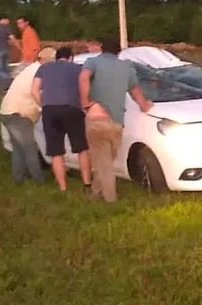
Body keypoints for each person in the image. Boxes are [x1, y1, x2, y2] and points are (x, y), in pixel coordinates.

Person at [79, 39, 153, 202]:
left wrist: (85, 101)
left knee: (102, 162)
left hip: (96, 118)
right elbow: (135, 89)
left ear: (101, 49)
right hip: (116, 122)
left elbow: (84, 77)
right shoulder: (126, 67)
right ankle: (96, 193)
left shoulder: (92, 62)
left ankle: (110, 198)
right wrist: (144, 105)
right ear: (119, 52)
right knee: (105, 161)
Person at [31, 47, 91, 191]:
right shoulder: (77, 68)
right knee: (81, 148)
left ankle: (63, 187)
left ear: (56, 57)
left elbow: (34, 91)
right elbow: (85, 88)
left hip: (49, 110)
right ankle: (87, 183)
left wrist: (43, 104)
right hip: (72, 109)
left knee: (56, 151)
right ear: (70, 57)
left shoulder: (44, 68)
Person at [0, 46, 57, 185]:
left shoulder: (31, 68)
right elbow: (36, 92)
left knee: (18, 150)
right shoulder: (40, 72)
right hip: (19, 113)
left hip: (8, 111)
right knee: (30, 148)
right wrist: (44, 108)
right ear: (47, 60)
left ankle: (18, 180)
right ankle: (39, 181)